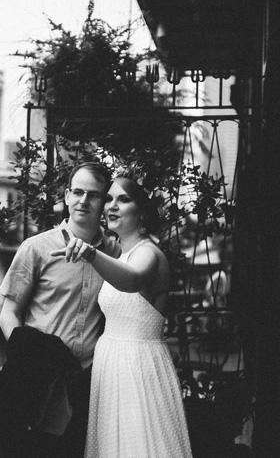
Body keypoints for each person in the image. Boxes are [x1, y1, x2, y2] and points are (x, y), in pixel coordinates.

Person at [52, 173, 193, 458]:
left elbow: (131, 281)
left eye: (124, 199)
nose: (111, 206)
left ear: (142, 212)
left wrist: (90, 254)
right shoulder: (121, 255)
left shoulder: (149, 254)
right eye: (109, 199)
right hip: (112, 367)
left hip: (137, 369)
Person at [0, 161, 121, 458]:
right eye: (77, 192)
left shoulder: (115, 253)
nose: (83, 200)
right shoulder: (36, 248)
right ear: (66, 196)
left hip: (91, 384)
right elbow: (8, 312)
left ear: (104, 202)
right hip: (42, 384)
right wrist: (30, 357)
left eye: (93, 194)